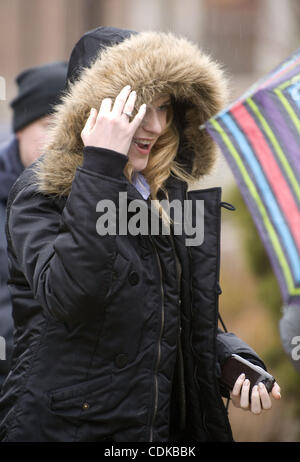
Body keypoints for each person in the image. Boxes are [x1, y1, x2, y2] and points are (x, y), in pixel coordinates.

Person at [0, 26, 281, 443]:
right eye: (136, 107)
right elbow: (71, 296)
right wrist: (100, 165)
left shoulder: (164, 198)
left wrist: (228, 357)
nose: (153, 125)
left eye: (165, 107)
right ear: (94, 112)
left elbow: (167, 317)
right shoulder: (40, 195)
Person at [0, 61, 68, 387]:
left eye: (69, 126)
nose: (59, 140)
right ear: (19, 128)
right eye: (48, 124)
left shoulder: (91, 199)